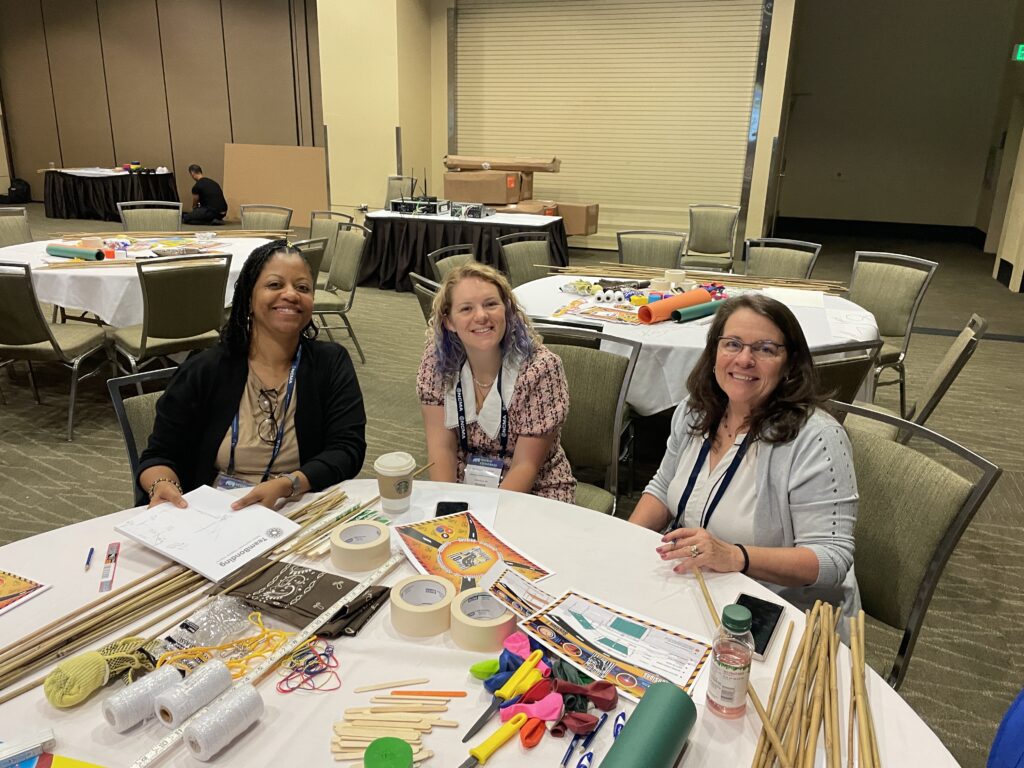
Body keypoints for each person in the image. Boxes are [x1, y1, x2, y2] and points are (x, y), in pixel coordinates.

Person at [628, 294, 859, 620]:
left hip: (779, 612)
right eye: (732, 344)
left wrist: (736, 556)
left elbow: (831, 559)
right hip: (700, 586)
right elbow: (664, 485)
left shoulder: (815, 438)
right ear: (714, 352)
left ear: (790, 364)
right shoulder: (695, 410)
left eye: (765, 349)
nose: (744, 359)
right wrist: (624, 542)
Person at [138, 240, 366, 509]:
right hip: (217, 510)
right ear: (248, 297)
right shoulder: (205, 370)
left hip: (296, 503)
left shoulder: (330, 363)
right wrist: (162, 484)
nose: (291, 294)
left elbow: (347, 449)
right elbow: (159, 455)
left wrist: (290, 483)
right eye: (275, 285)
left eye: (303, 287)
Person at [417, 262, 575, 502]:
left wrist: (484, 518)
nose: (481, 316)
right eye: (466, 309)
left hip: (535, 489)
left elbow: (526, 466)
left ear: (507, 310)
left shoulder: (540, 369)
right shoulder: (437, 362)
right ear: (449, 321)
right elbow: (442, 450)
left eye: (491, 304)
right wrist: (449, 504)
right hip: (463, 483)